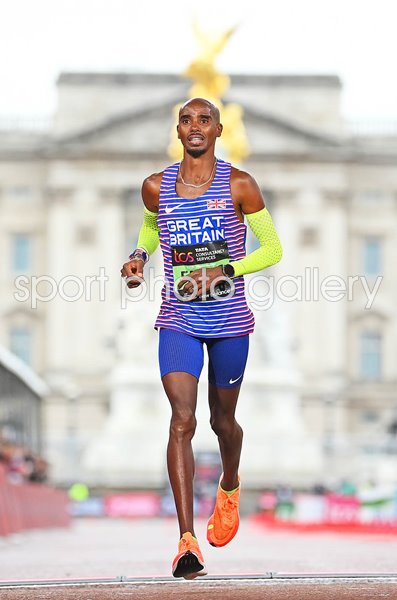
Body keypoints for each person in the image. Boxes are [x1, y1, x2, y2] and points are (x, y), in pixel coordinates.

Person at [121, 97, 283, 579]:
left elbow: (272, 248)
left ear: (217, 131)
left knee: (222, 423)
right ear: (178, 130)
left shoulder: (240, 185)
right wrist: (138, 257)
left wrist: (224, 269)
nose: (195, 127)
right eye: (187, 121)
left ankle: (230, 483)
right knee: (182, 421)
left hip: (230, 321)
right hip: (178, 318)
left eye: (204, 121)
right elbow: (151, 230)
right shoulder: (155, 186)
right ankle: (186, 541)